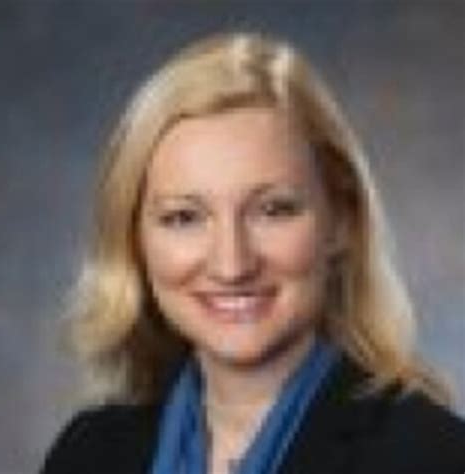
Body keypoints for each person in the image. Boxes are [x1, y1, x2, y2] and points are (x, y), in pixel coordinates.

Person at [41, 32, 465, 474]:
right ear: (134, 238)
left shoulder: (434, 458)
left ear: (341, 220)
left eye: (273, 210)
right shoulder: (88, 454)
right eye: (184, 217)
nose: (232, 265)